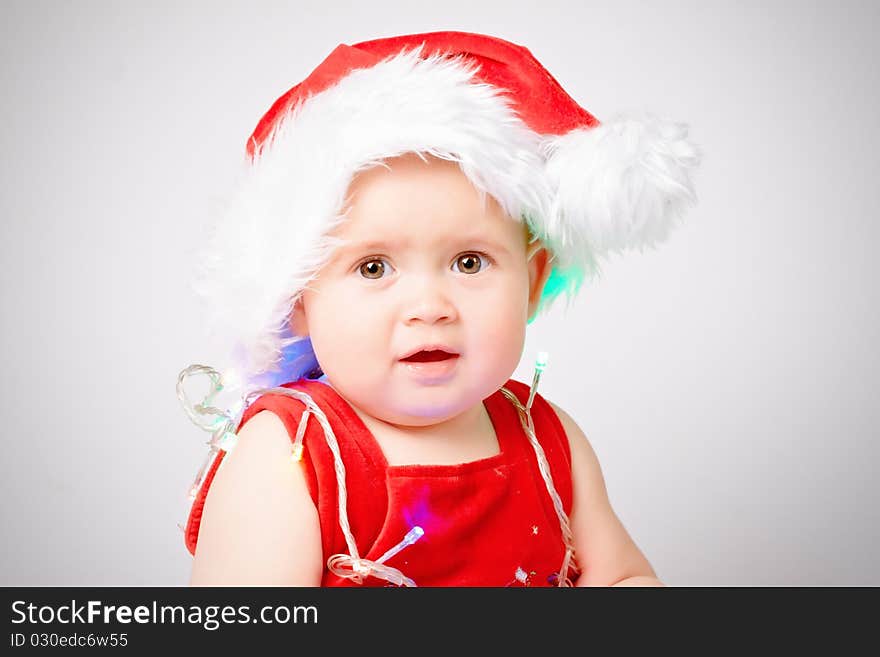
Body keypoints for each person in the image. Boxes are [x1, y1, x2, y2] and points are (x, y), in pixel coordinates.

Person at [180, 31, 700, 587]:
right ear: (297, 298)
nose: (429, 308)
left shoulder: (546, 437)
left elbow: (621, 579)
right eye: (374, 267)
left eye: (470, 262)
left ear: (533, 280)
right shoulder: (291, 455)